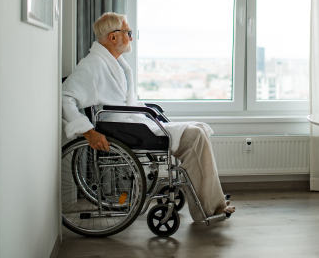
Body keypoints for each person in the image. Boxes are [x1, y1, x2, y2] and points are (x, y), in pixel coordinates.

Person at [62, 12, 235, 220]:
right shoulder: (92, 65)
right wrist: (88, 132)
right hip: (121, 129)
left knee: (200, 129)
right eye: (128, 32)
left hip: (129, 123)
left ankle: (210, 202)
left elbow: (126, 102)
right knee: (195, 136)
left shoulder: (114, 63)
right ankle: (209, 208)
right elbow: (65, 97)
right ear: (113, 37)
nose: (131, 38)